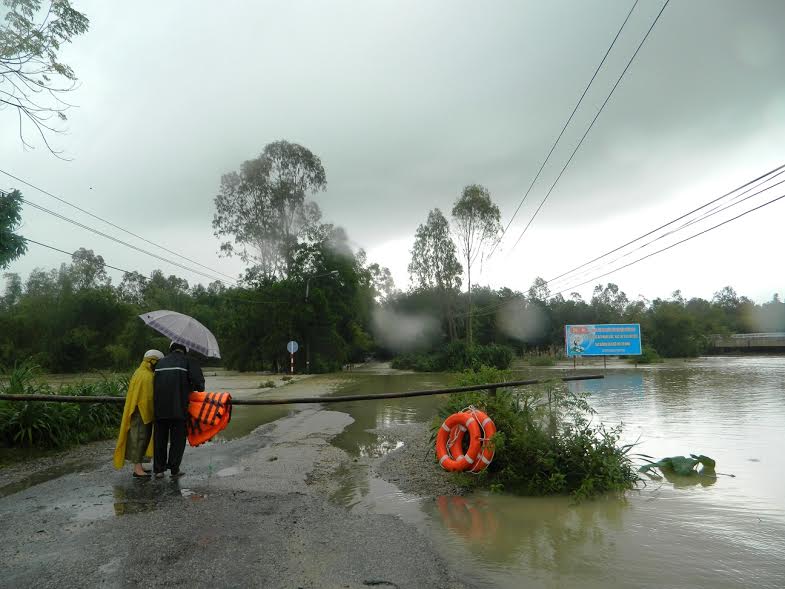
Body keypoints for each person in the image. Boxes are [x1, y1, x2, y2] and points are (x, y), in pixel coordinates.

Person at [153, 341, 205, 478]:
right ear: (185, 350)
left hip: (159, 408)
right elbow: (200, 386)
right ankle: (174, 469)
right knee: (177, 440)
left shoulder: (160, 363)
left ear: (170, 349)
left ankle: (158, 470)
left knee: (160, 438)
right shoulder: (189, 361)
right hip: (179, 407)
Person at [113, 349, 164, 478]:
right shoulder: (145, 375)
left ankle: (139, 466)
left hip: (141, 412)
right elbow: (147, 397)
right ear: (152, 362)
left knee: (143, 439)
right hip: (140, 412)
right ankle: (137, 468)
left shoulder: (141, 372)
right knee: (138, 440)